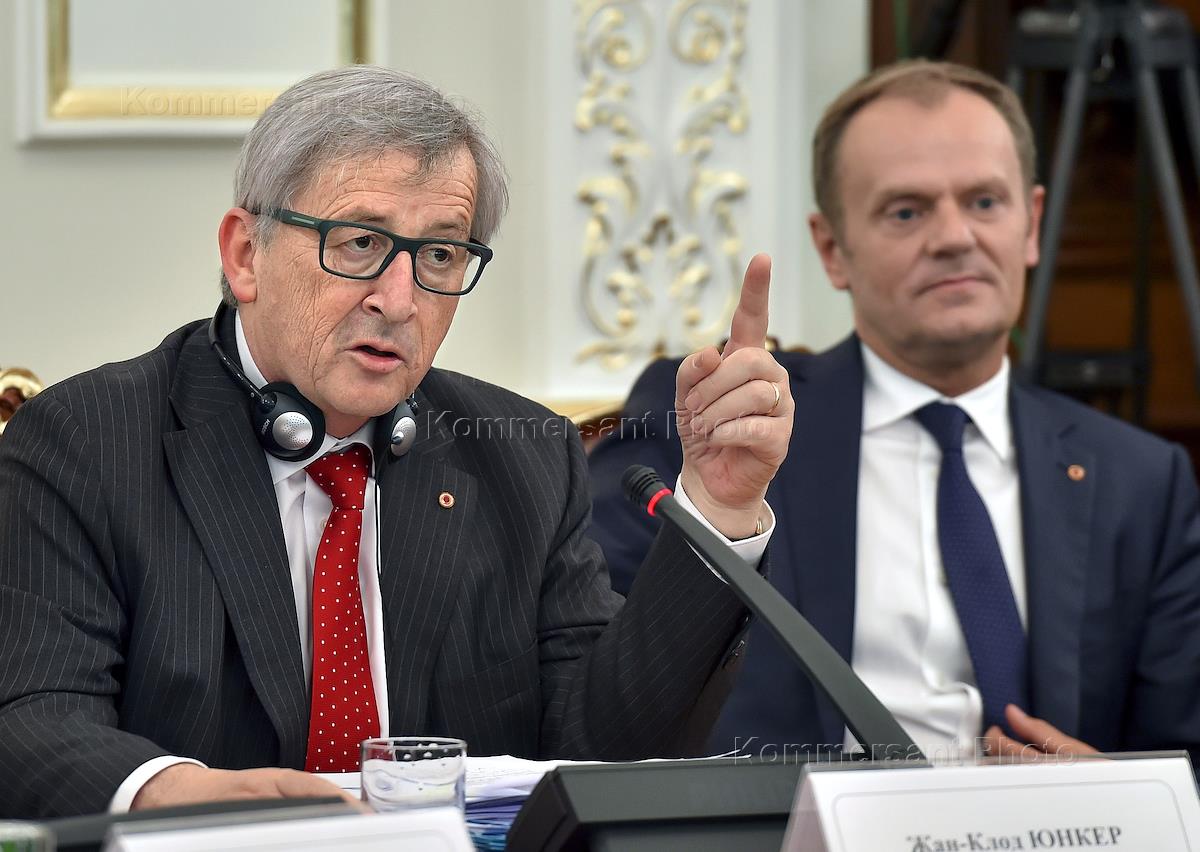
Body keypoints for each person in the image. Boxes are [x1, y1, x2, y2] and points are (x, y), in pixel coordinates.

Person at [0, 66, 795, 819]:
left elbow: (598, 747)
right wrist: (171, 794)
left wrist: (718, 507)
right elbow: (30, 717)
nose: (400, 299)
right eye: (359, 243)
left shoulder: (523, 460)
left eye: (440, 254)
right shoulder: (87, 444)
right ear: (246, 255)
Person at [588, 60, 1200, 763]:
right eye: (906, 211)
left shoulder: (1141, 482)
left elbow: (1183, 761)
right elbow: (597, 705)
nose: (954, 237)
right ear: (832, 250)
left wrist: (1117, 791)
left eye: (985, 202)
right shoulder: (719, 426)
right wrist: (716, 508)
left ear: (1031, 224)